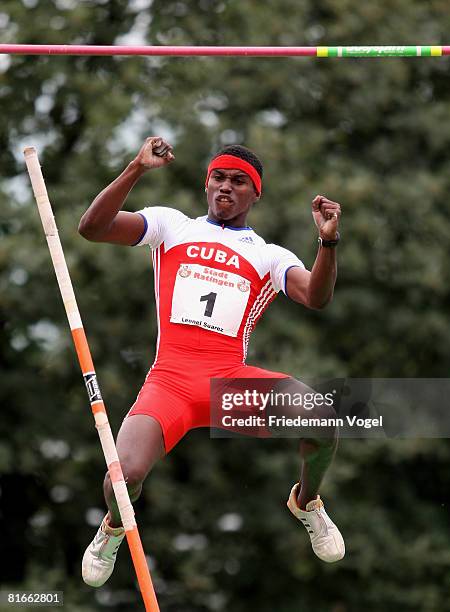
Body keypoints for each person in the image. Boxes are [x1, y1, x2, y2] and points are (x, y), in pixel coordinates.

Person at [79, 137, 345, 588]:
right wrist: (136, 168)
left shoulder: (267, 254)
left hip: (229, 384)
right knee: (123, 478)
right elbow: (92, 227)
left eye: (238, 181)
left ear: (254, 193)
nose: (226, 187)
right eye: (218, 178)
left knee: (323, 420)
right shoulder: (171, 225)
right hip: (171, 383)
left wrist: (328, 241)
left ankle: (307, 502)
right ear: (206, 184)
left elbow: (316, 297)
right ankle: (111, 530)